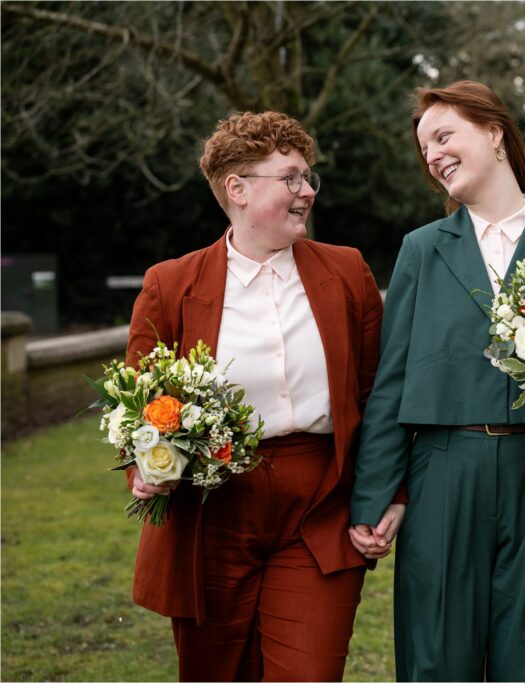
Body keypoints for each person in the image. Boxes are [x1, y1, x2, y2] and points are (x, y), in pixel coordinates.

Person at [348, 80, 525, 681]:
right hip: (446, 476)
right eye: (425, 148)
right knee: (437, 666)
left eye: (444, 135)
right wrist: (377, 496)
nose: (433, 154)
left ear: (495, 133)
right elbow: (389, 384)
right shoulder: (422, 251)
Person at [125, 111, 403, 681]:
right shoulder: (171, 285)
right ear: (238, 188)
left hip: (319, 505)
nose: (307, 192)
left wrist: (386, 496)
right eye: (292, 178)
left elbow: (378, 397)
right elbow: (143, 403)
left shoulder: (347, 273)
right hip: (213, 511)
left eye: (308, 179)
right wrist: (145, 465)